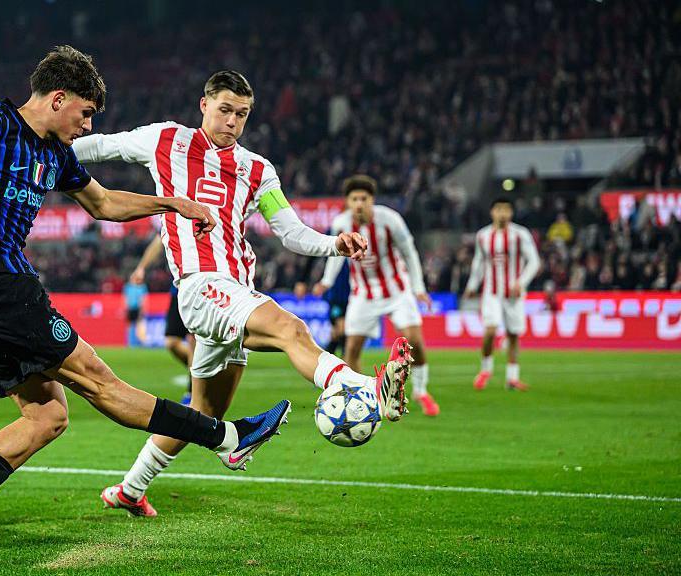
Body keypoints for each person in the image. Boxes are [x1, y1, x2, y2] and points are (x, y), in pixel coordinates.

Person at [0, 47, 291, 562]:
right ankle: (227, 436)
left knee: (47, 416)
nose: (87, 124)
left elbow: (103, 204)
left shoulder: (54, 154)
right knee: (98, 379)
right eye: (86, 112)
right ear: (59, 99)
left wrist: (170, 203)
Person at [73, 70, 411, 517]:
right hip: (200, 285)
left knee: (202, 413)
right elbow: (99, 147)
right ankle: (366, 388)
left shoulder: (257, 169)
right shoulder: (167, 140)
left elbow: (289, 231)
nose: (233, 121)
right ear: (204, 106)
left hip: (234, 289)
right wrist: (38, 145)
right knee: (290, 328)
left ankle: (129, 490)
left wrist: (333, 244)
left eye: (243, 114)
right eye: (225, 110)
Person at [320, 175, 439, 417]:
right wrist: (326, 281)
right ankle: (358, 396)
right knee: (351, 349)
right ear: (348, 202)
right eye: (354, 199)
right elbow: (335, 257)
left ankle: (421, 391)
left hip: (397, 290)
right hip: (363, 294)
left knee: (414, 340)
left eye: (364, 198)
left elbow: (409, 253)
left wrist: (418, 288)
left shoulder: (390, 220)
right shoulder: (341, 223)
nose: (359, 203)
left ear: (372, 200)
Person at [464, 198, 540, 391]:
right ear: (492, 212)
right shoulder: (483, 235)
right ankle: (485, 370)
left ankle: (512, 378)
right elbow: (479, 263)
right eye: (499, 209)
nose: (503, 213)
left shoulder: (520, 235)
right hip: (491, 292)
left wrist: (521, 282)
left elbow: (534, 262)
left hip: (513, 295)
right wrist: (472, 285)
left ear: (511, 213)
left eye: (507, 209)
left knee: (513, 335)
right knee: (490, 330)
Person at [131, 234, 195, 399]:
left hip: (200, 285)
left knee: (194, 341)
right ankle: (204, 372)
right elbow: (159, 240)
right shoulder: (173, 213)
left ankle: (192, 394)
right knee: (172, 342)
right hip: (179, 288)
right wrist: (142, 268)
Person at [123, 273, 148, 346]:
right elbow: (126, 298)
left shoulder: (142, 287)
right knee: (130, 326)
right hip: (130, 308)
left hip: (138, 308)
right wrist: (125, 308)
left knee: (139, 325)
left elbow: (143, 299)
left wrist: (143, 309)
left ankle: (141, 342)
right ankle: (130, 343)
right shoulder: (128, 287)